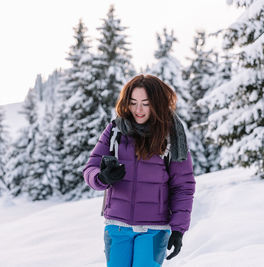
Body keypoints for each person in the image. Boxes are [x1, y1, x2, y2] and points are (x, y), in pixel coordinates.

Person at [83, 74, 196, 267]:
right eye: (133, 102)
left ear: (157, 103)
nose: (138, 110)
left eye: (146, 103)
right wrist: (102, 177)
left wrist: (178, 229)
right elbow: (90, 169)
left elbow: (183, 186)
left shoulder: (171, 136)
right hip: (117, 227)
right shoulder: (115, 131)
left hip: (154, 229)